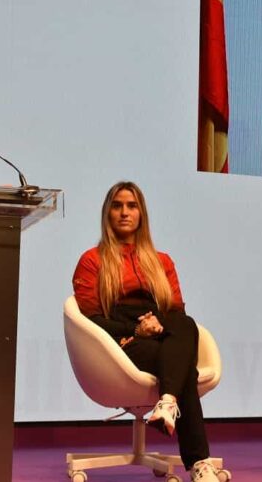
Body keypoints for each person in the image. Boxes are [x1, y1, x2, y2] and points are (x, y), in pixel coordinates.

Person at [71, 181, 222, 482]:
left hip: (161, 325)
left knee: (186, 324)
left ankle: (167, 403)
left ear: (142, 214)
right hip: (121, 339)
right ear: (107, 213)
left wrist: (156, 324)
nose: (124, 212)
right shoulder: (92, 260)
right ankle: (199, 462)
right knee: (183, 370)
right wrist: (136, 329)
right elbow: (91, 318)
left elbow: (176, 309)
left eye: (132, 206)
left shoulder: (161, 260)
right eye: (117, 206)